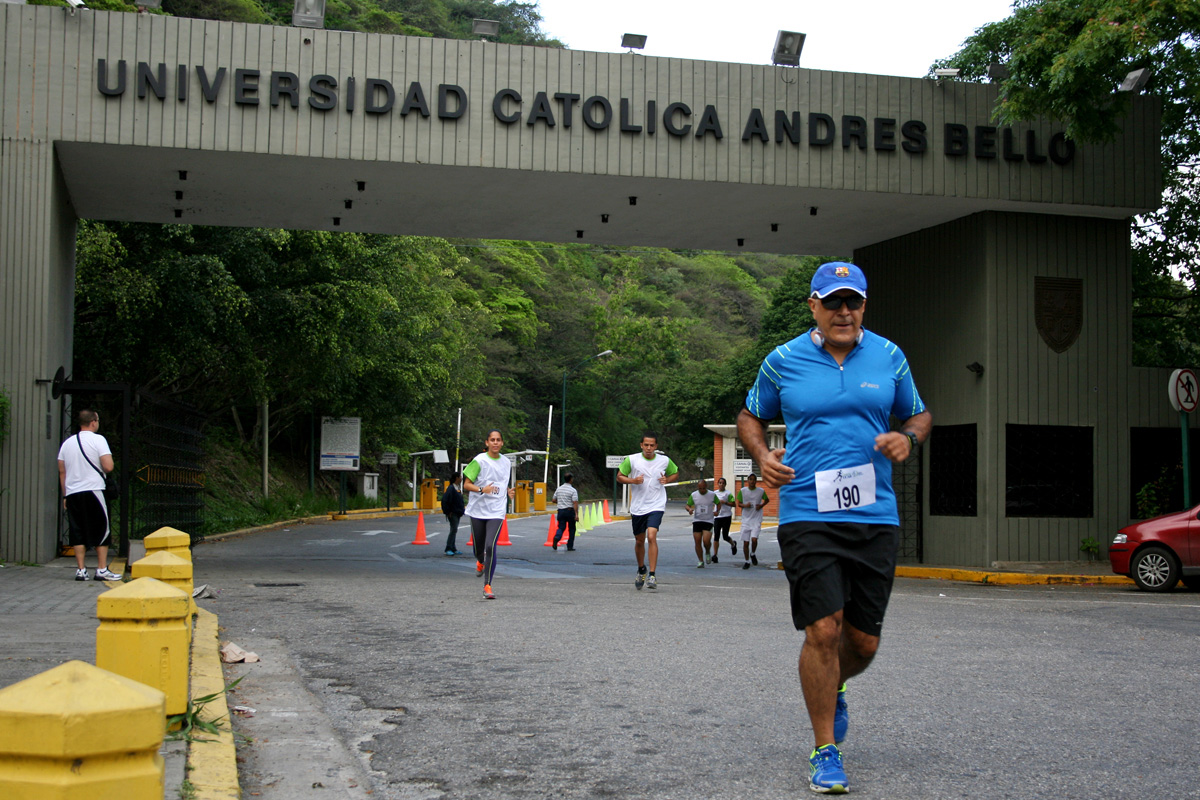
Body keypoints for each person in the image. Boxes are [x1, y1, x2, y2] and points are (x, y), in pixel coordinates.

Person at [737, 261, 931, 794]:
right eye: (833, 302)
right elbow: (750, 416)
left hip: (874, 514)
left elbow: (918, 414)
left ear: (864, 305)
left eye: (853, 301)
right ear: (814, 306)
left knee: (863, 643)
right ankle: (825, 750)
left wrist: (908, 438)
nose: (844, 311)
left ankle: (835, 684)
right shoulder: (783, 361)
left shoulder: (889, 356)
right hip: (808, 511)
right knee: (823, 630)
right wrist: (762, 455)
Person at [57, 409, 121, 582]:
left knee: (77, 529)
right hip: (94, 489)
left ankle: (81, 570)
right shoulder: (98, 440)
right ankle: (101, 569)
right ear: (93, 422)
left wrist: (65, 496)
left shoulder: (67, 444)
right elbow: (108, 466)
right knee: (101, 529)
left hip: (73, 492)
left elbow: (62, 472)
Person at [616, 433, 679, 591]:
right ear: (641, 445)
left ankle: (652, 574)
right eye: (646, 445)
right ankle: (641, 569)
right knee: (639, 540)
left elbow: (675, 472)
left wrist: (667, 480)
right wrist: (633, 480)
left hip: (656, 504)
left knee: (651, 535)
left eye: (652, 445)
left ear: (656, 446)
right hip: (638, 506)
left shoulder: (664, 460)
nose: (649, 448)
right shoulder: (632, 460)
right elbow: (620, 477)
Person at [462, 430, 516, 600]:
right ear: (487, 443)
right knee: (479, 548)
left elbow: (500, 483)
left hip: (497, 511)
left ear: (502, 443)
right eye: (492, 440)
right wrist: (481, 489)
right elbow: (466, 484)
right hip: (478, 509)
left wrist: (508, 491)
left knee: (490, 546)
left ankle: (487, 585)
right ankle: (480, 561)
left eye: (498, 440)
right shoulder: (479, 460)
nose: (495, 443)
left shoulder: (506, 462)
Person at [736, 473, 770, 570]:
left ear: (756, 481)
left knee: (754, 539)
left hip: (756, 519)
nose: (752, 481)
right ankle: (747, 561)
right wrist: (745, 505)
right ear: (748, 480)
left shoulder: (760, 491)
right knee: (746, 543)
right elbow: (739, 504)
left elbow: (767, 500)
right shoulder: (743, 491)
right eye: (750, 479)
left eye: (754, 479)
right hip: (746, 520)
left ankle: (753, 553)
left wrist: (761, 505)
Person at [686, 479, 717, 567]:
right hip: (697, 520)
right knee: (697, 542)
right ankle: (701, 560)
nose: (702, 490)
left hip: (708, 520)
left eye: (703, 488)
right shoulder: (694, 495)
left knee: (706, 541)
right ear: (698, 487)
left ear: (706, 487)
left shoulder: (712, 495)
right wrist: (689, 509)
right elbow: (687, 505)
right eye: (700, 488)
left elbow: (718, 503)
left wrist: (717, 511)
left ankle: (707, 551)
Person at [552, 473, 580, 551]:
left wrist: (560, 502)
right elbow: (575, 502)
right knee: (572, 529)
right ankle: (570, 546)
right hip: (570, 511)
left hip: (561, 511)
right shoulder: (573, 490)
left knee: (561, 527)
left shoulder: (559, 489)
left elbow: (553, 500)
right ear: (571, 479)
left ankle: (557, 537)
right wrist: (576, 514)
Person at [441, 472, 465, 556]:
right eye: (460, 477)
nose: (461, 479)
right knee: (453, 530)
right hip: (453, 513)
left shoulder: (457, 488)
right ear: (456, 478)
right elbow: (445, 500)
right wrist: (448, 512)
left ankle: (453, 548)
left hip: (458, 512)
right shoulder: (451, 488)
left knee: (454, 530)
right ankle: (448, 548)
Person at [712, 477, 736, 561]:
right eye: (720, 483)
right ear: (718, 484)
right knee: (716, 536)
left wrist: (725, 502)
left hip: (726, 516)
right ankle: (715, 555)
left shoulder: (728, 494)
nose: (721, 485)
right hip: (718, 517)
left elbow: (734, 504)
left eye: (723, 483)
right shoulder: (714, 493)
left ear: (725, 484)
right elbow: (711, 503)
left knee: (725, 536)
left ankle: (733, 544)